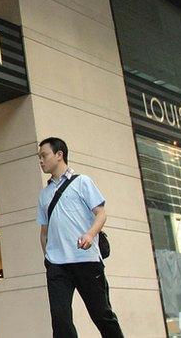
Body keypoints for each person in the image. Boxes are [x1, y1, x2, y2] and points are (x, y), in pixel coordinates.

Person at [37, 137, 124, 338]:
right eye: (39, 157)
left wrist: (90, 235)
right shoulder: (44, 195)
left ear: (59, 155)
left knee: (102, 315)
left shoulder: (82, 182)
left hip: (86, 261)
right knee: (61, 322)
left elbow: (101, 214)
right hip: (57, 265)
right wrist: (48, 259)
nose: (41, 161)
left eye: (44, 155)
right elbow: (44, 232)